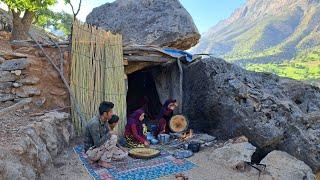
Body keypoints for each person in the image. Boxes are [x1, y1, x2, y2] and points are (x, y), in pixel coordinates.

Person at [84, 101, 127, 168]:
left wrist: (120, 147)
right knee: (113, 137)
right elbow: (97, 143)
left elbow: (108, 138)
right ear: (105, 113)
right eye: (110, 112)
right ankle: (102, 161)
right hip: (92, 151)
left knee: (123, 154)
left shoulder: (105, 121)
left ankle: (99, 159)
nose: (112, 114)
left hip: (102, 147)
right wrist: (109, 134)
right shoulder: (94, 123)